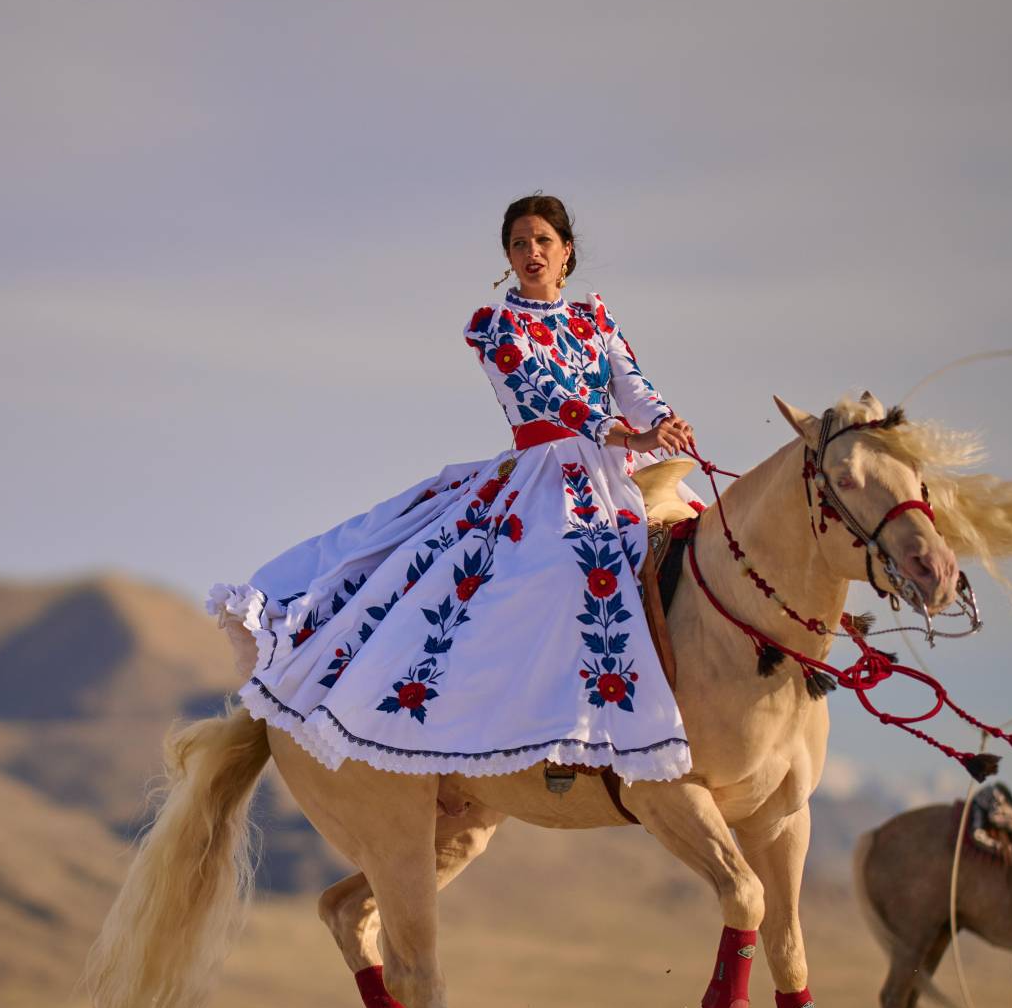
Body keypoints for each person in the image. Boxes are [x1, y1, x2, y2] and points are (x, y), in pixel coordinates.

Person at [209, 195, 697, 785]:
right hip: (545, 474)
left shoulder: (595, 319)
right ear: (509, 257)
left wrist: (664, 423)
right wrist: (629, 436)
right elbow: (548, 396)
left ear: (567, 251)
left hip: (618, 468)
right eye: (519, 243)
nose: (531, 253)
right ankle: (549, 735)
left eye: (543, 241)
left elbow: (633, 383)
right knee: (550, 575)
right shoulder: (497, 327)